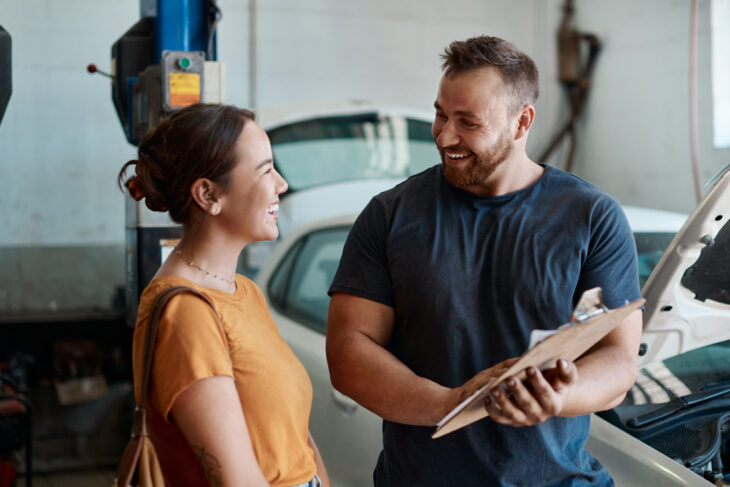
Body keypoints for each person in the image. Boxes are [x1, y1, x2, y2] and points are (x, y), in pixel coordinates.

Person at [326, 35, 642, 486]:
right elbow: (348, 351)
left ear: (521, 122)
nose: (444, 135)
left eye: (467, 122)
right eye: (440, 113)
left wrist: (556, 396)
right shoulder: (390, 214)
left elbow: (618, 360)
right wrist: (451, 403)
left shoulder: (592, 217)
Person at [119, 104, 331, 487]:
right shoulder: (186, 312)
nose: (281, 184)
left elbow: (292, 438)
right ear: (208, 194)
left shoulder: (244, 291)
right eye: (266, 170)